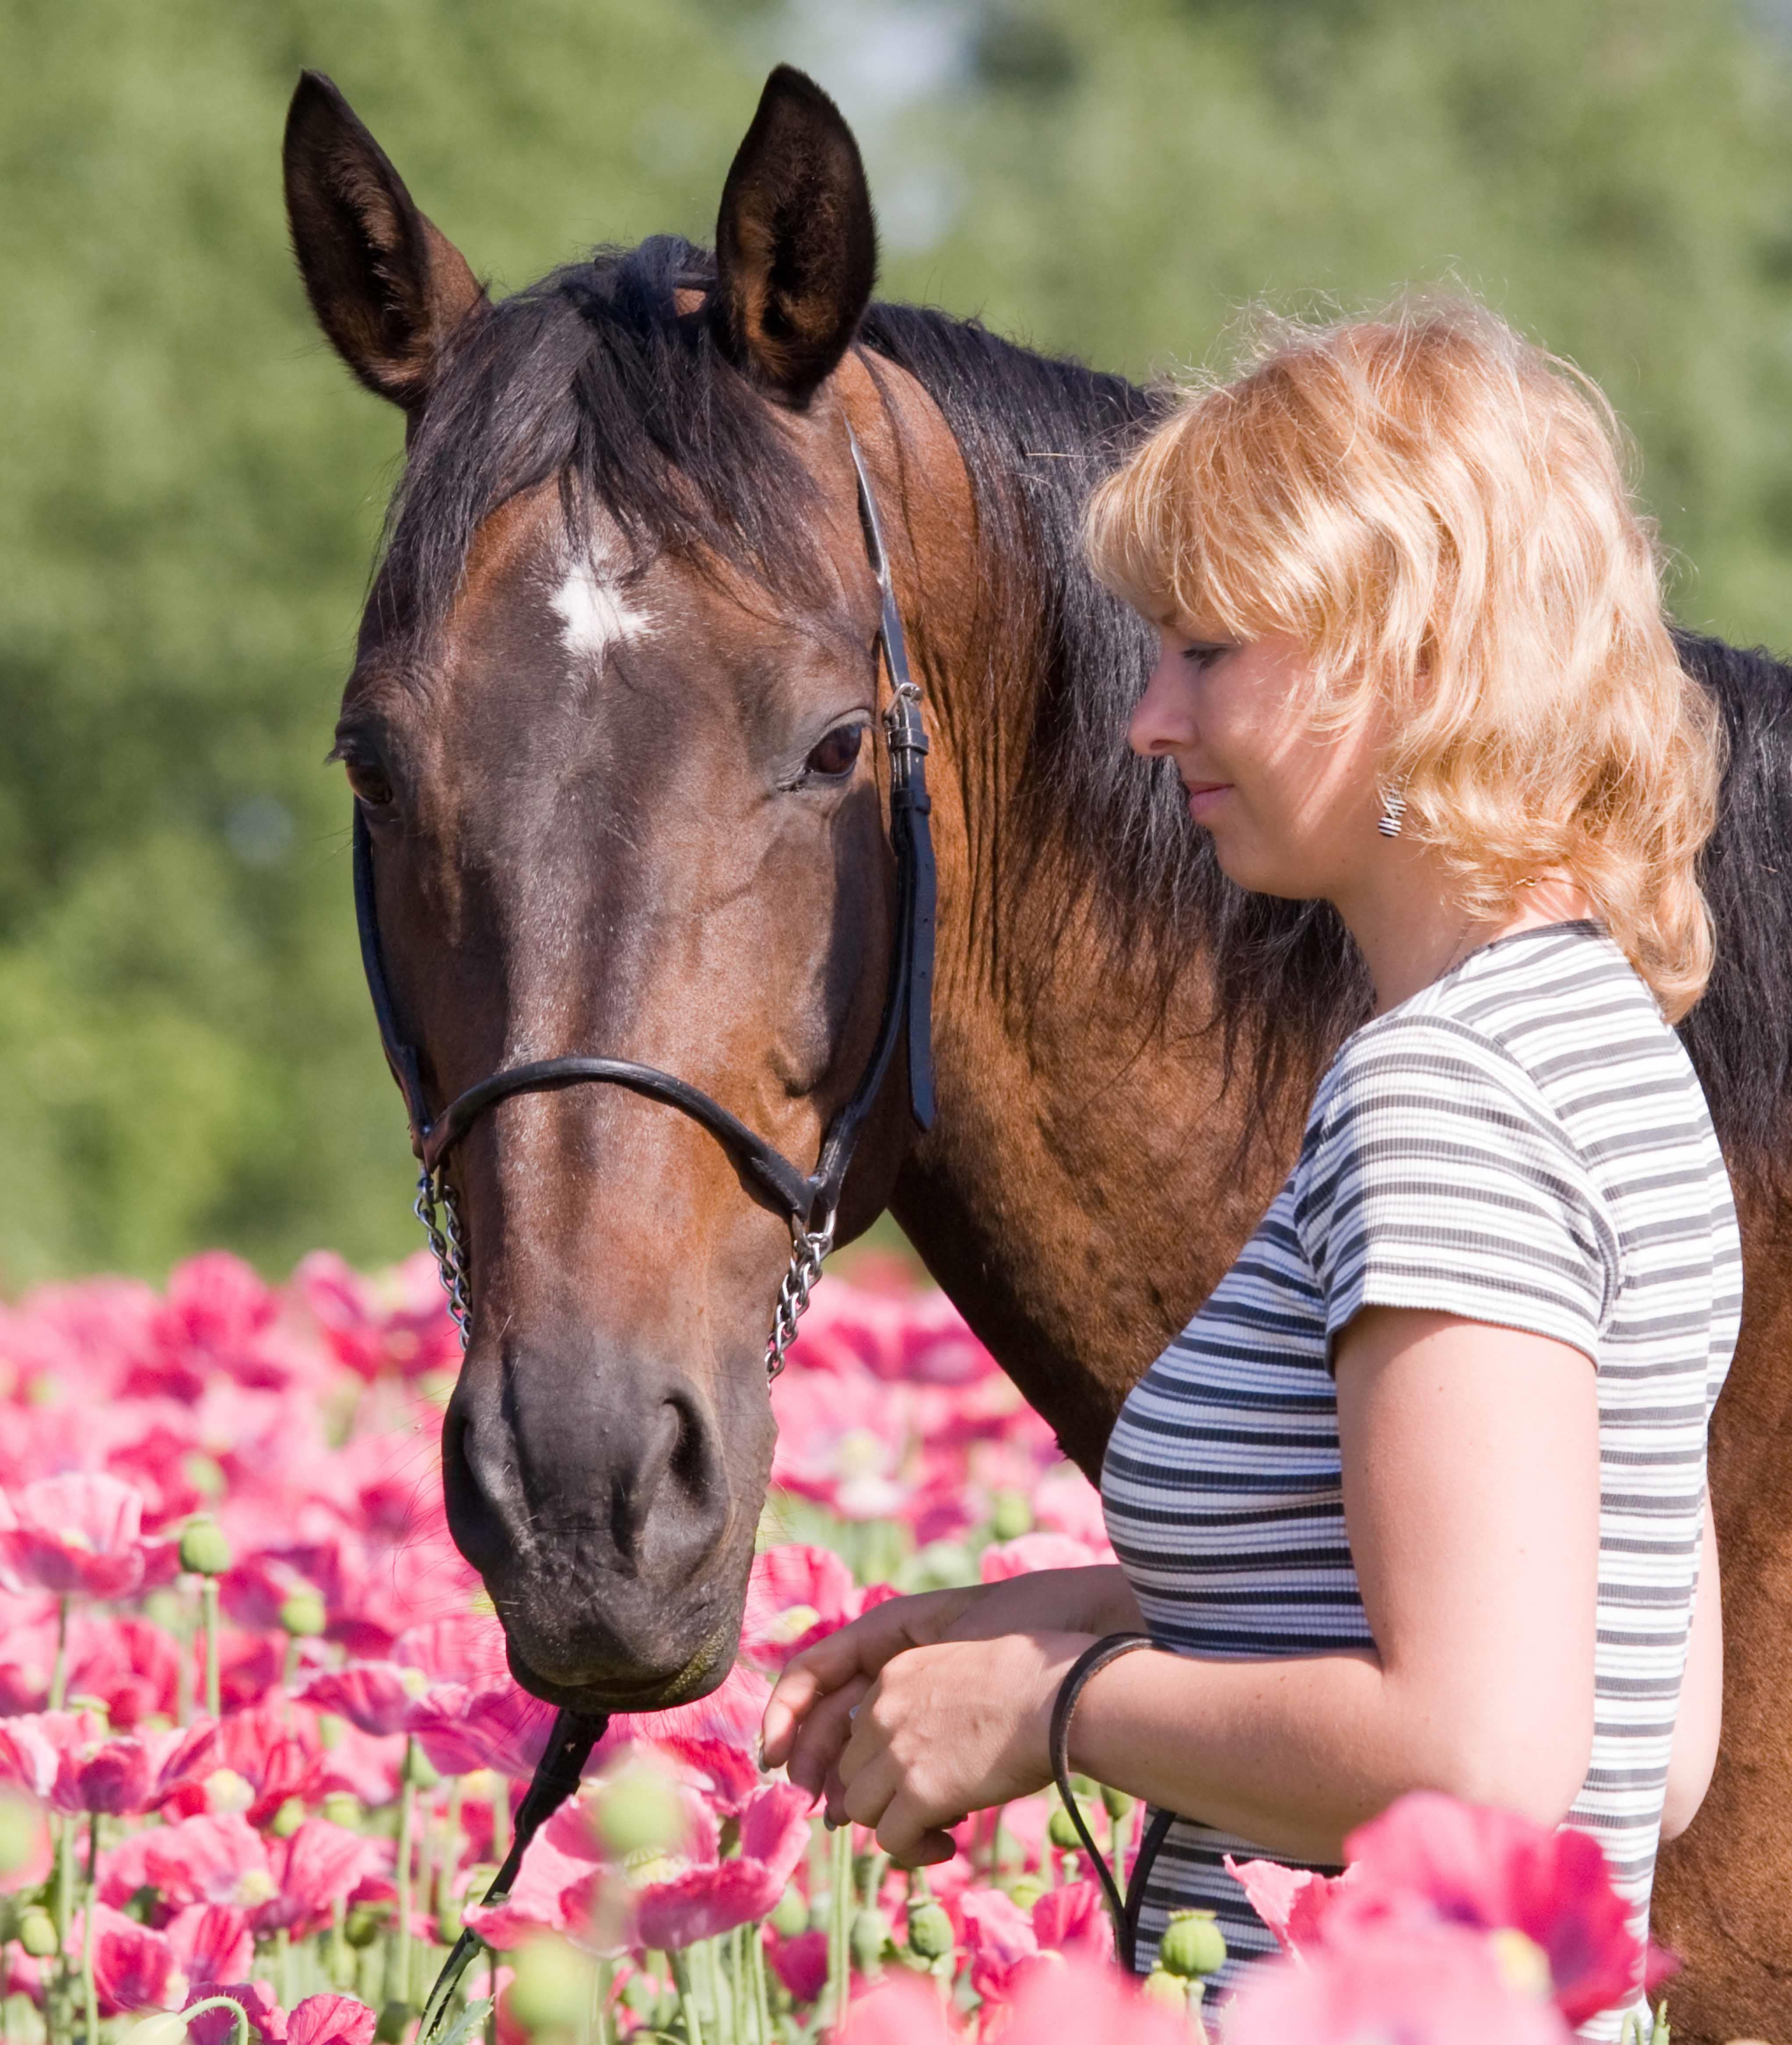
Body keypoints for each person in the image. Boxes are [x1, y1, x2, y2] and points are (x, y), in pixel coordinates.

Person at [760, 298, 1737, 2028]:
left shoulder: (1439, 1099)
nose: (1146, 720)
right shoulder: (1609, 1050)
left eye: (1205, 651)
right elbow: (1638, 1748)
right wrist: (1031, 1606)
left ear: (1414, 654)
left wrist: (1053, 1703)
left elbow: (1477, 1752)